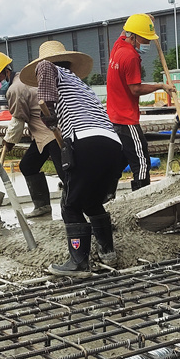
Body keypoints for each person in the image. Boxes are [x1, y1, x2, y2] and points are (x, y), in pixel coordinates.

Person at [24, 41, 125, 277]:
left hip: (86, 141)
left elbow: (44, 70)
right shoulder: (81, 86)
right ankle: (107, 252)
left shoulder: (49, 68)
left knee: (70, 205)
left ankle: (78, 262)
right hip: (113, 145)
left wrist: (48, 109)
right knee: (91, 201)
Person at [0, 51, 66, 218]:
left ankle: (79, 206)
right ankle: (42, 206)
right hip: (42, 134)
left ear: (6, 71)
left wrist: (8, 141)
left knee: (65, 173)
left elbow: (18, 119)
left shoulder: (15, 88)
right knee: (28, 165)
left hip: (52, 133)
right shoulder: (23, 79)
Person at [107, 13, 174, 191]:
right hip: (126, 119)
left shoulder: (119, 45)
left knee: (120, 160)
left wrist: (144, 19)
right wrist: (161, 86)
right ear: (134, 37)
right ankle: (142, 196)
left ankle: (106, 194)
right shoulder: (131, 57)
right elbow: (135, 89)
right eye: (145, 39)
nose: (148, 43)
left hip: (113, 117)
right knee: (142, 161)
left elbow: (125, 30)